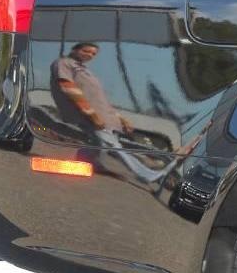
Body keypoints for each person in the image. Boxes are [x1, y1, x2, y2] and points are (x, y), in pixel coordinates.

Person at [50, 42, 162, 184]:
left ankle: (87, 161)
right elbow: (68, 87)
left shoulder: (85, 70)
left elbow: (101, 100)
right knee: (112, 145)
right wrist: (91, 114)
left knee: (102, 142)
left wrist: (121, 119)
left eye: (93, 54)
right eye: (86, 51)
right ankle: (146, 175)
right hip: (87, 114)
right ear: (75, 49)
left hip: (102, 115)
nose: (90, 55)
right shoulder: (64, 63)